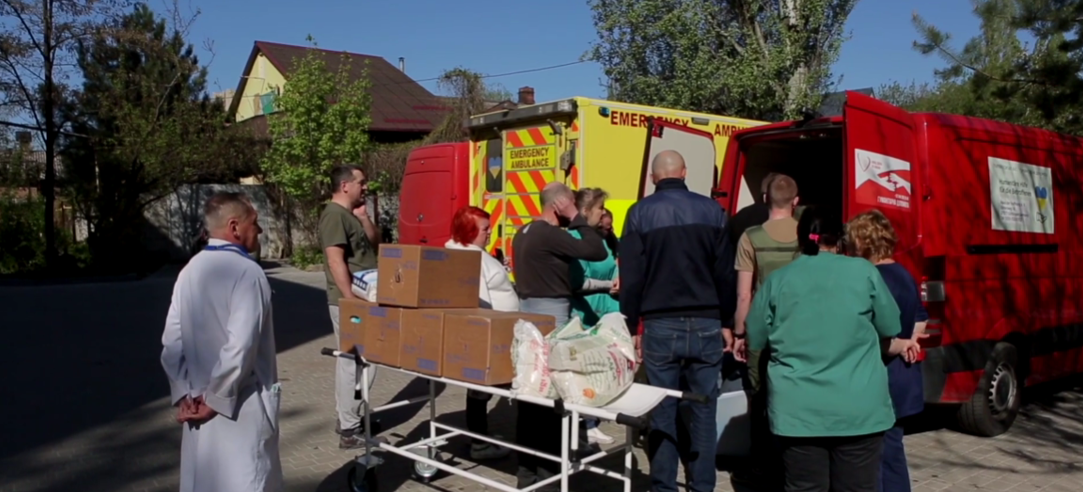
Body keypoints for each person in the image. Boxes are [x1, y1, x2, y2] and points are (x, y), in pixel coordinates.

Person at [746, 206, 921, 492]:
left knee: (804, 487)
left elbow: (755, 336)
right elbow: (891, 325)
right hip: (858, 408)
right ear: (840, 240)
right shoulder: (864, 272)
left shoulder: (779, 280)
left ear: (800, 239)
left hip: (798, 410)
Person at [619, 150, 732, 492]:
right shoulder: (714, 211)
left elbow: (632, 277)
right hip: (706, 321)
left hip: (659, 324)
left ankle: (663, 487)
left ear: (655, 177)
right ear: (684, 173)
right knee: (703, 413)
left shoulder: (638, 213)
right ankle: (702, 486)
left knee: (663, 411)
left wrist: (631, 327)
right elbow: (725, 273)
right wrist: (726, 321)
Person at [161, 191, 282, 492]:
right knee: (245, 479)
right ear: (234, 227)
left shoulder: (189, 271)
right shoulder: (248, 273)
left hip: (198, 402)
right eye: (255, 223)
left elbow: (172, 343)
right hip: (239, 403)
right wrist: (216, 398)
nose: (261, 230)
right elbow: (239, 348)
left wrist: (184, 394)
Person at [512, 181, 608, 491]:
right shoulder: (550, 233)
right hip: (551, 317)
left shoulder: (524, 231)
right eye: (570, 206)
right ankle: (550, 477)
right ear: (559, 206)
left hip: (528, 314)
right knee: (552, 396)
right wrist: (578, 220)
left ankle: (528, 473)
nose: (575, 212)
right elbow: (595, 250)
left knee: (530, 396)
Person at [846, 210, 929, 492]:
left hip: (883, 379)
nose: (849, 247)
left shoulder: (875, 277)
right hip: (903, 379)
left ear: (865, 242)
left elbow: (873, 334)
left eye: (853, 241)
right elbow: (921, 315)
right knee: (892, 453)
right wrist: (913, 340)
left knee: (879, 459)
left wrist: (900, 343)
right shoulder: (903, 273)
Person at [728, 173, 800, 485]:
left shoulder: (751, 236)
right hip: (799, 328)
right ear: (795, 201)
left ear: (766, 199)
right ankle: (793, 463)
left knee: (760, 398)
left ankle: (761, 465)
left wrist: (740, 333)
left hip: (763, 329)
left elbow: (744, 294)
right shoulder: (808, 237)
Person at [444, 205, 515, 461]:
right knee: (480, 391)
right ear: (469, 230)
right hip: (491, 334)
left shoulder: (471, 253)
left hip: (495, 332)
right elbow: (480, 303)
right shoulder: (469, 258)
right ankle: (480, 443)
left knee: (479, 392)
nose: (490, 232)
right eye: (485, 228)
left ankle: (480, 440)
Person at [318, 164, 381, 449]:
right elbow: (335, 260)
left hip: (362, 300)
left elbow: (373, 244)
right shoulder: (333, 216)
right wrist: (350, 300)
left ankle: (351, 415)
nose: (365, 186)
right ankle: (349, 426)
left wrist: (365, 218)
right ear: (345, 185)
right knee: (354, 362)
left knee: (364, 361)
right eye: (361, 182)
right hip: (350, 302)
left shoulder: (348, 215)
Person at [568, 188, 620, 445]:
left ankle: (592, 421)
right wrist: (608, 285)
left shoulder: (600, 238)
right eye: (600, 209)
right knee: (587, 371)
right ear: (586, 211)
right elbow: (576, 282)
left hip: (607, 311)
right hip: (587, 313)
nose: (603, 215)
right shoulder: (576, 238)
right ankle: (586, 424)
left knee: (603, 368)